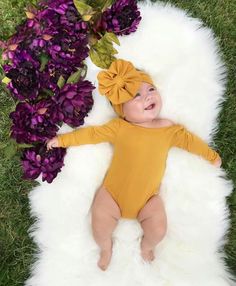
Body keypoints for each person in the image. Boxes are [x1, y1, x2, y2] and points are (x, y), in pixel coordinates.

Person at [46, 58, 222, 271]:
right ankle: (105, 248)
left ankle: (147, 246)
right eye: (136, 96)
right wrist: (63, 140)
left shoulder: (168, 130)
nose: (147, 96)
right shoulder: (119, 127)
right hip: (111, 195)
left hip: (148, 200)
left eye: (150, 89)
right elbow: (92, 135)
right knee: (100, 221)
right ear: (122, 111)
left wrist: (210, 155)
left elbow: (189, 141)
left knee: (158, 229)